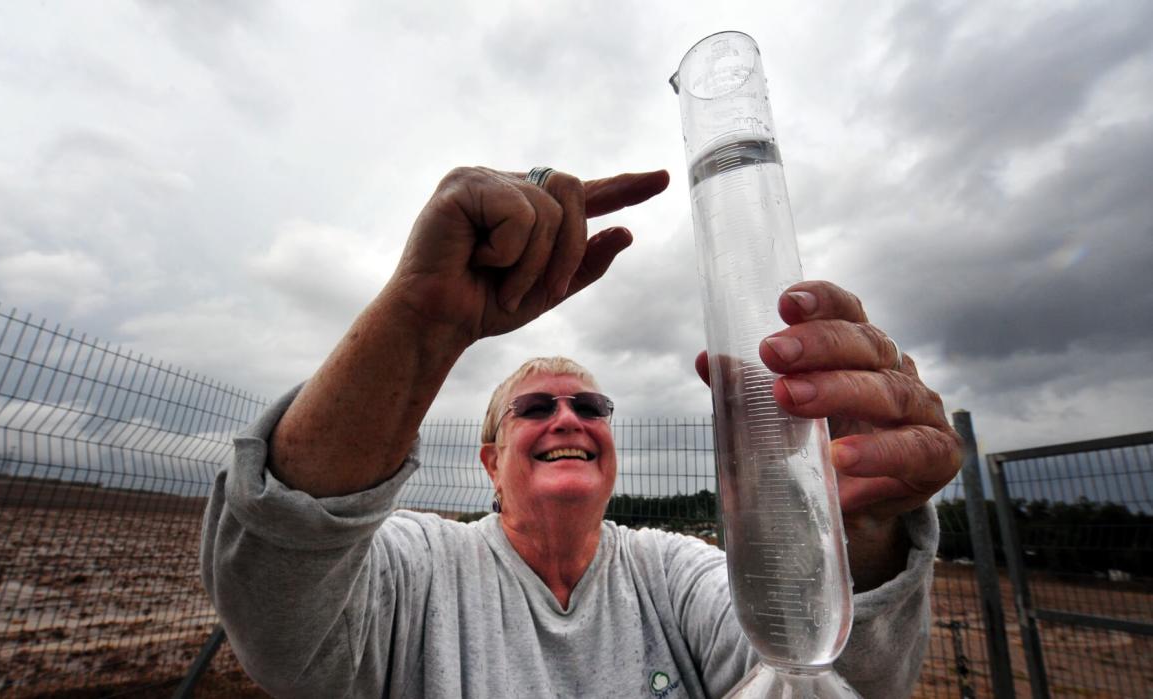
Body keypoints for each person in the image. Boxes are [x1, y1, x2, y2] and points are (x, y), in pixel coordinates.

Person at [201, 166, 962, 698]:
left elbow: (832, 682)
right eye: (534, 408)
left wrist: (853, 534)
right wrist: (418, 322)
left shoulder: (673, 574)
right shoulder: (420, 565)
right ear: (490, 462)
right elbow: (277, 612)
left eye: (590, 408)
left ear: (612, 455)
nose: (568, 417)